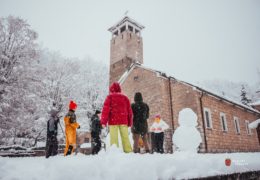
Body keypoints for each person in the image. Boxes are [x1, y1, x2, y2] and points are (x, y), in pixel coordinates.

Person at [101, 82, 133, 153]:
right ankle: (128, 151)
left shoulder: (110, 97)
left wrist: (103, 122)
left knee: (114, 138)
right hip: (123, 121)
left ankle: (115, 152)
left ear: (111, 89)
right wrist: (130, 122)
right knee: (125, 137)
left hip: (113, 121)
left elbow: (105, 110)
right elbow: (129, 111)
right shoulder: (125, 98)